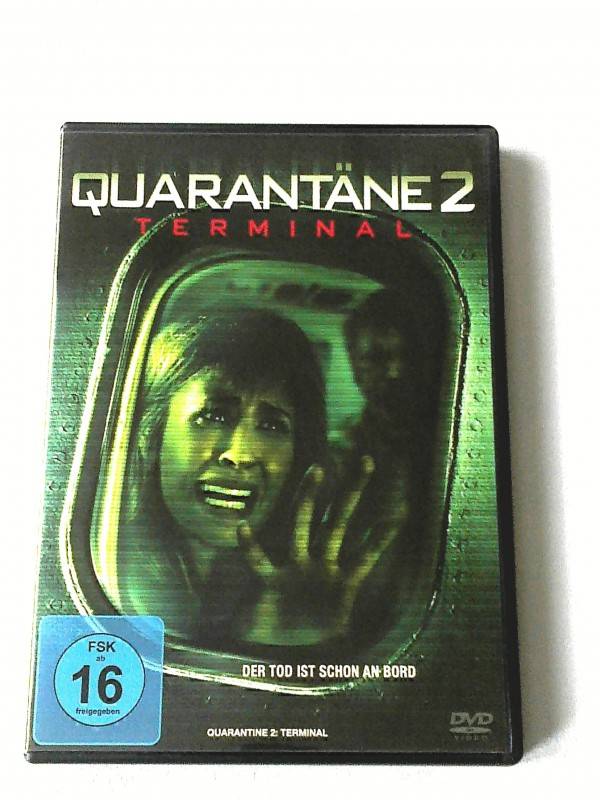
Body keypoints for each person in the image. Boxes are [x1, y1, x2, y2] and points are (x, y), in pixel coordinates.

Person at [117, 308, 389, 649]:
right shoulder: (109, 572)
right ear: (151, 436)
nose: (240, 454)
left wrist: (304, 647)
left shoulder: (302, 588)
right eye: (212, 416)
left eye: (272, 425)